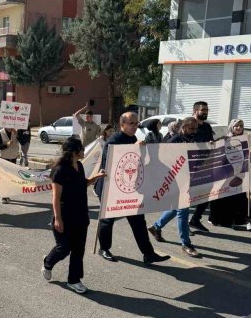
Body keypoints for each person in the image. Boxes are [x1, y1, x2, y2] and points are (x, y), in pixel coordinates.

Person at [94, 112, 171, 264]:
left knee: (138, 221)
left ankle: (148, 253)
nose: (135, 126)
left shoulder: (133, 138)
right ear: (122, 124)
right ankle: (104, 248)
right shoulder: (114, 140)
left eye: (136, 123)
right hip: (111, 188)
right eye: (131, 123)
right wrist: (133, 149)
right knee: (108, 221)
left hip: (129, 188)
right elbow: (113, 161)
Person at [43, 137, 105, 294]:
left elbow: (82, 183)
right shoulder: (59, 170)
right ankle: (48, 263)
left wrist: (96, 177)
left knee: (78, 250)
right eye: (81, 149)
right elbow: (56, 197)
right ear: (74, 151)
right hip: (65, 216)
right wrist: (58, 219)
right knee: (63, 248)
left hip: (81, 215)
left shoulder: (80, 166)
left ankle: (74, 280)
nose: (83, 151)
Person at [147, 117, 203, 258]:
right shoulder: (174, 141)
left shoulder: (194, 140)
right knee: (183, 212)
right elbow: (162, 158)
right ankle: (186, 244)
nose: (194, 131)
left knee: (176, 209)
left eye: (196, 128)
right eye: (191, 128)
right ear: (184, 128)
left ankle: (156, 227)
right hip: (174, 181)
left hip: (188, 179)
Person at [209, 119, 251, 231]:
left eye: (241, 126)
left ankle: (247, 219)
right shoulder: (224, 139)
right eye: (236, 126)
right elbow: (215, 152)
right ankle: (217, 219)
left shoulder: (244, 140)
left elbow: (245, 159)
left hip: (238, 174)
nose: (239, 128)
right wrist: (212, 144)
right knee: (222, 197)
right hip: (224, 173)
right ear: (232, 127)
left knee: (239, 197)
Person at [186, 101, 217, 233]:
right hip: (189, 165)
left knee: (207, 192)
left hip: (204, 164)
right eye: (202, 110)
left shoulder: (207, 127)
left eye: (206, 110)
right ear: (195, 111)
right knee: (186, 197)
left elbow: (210, 142)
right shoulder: (189, 124)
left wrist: (213, 143)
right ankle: (180, 226)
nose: (205, 112)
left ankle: (195, 219)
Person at [0, 127, 20, 204]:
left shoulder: (15, 131)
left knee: (10, 177)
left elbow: (22, 142)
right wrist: (6, 144)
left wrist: (17, 134)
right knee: (3, 177)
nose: (9, 127)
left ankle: (7, 194)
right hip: (4, 157)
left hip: (13, 157)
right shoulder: (0, 132)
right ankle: (3, 196)